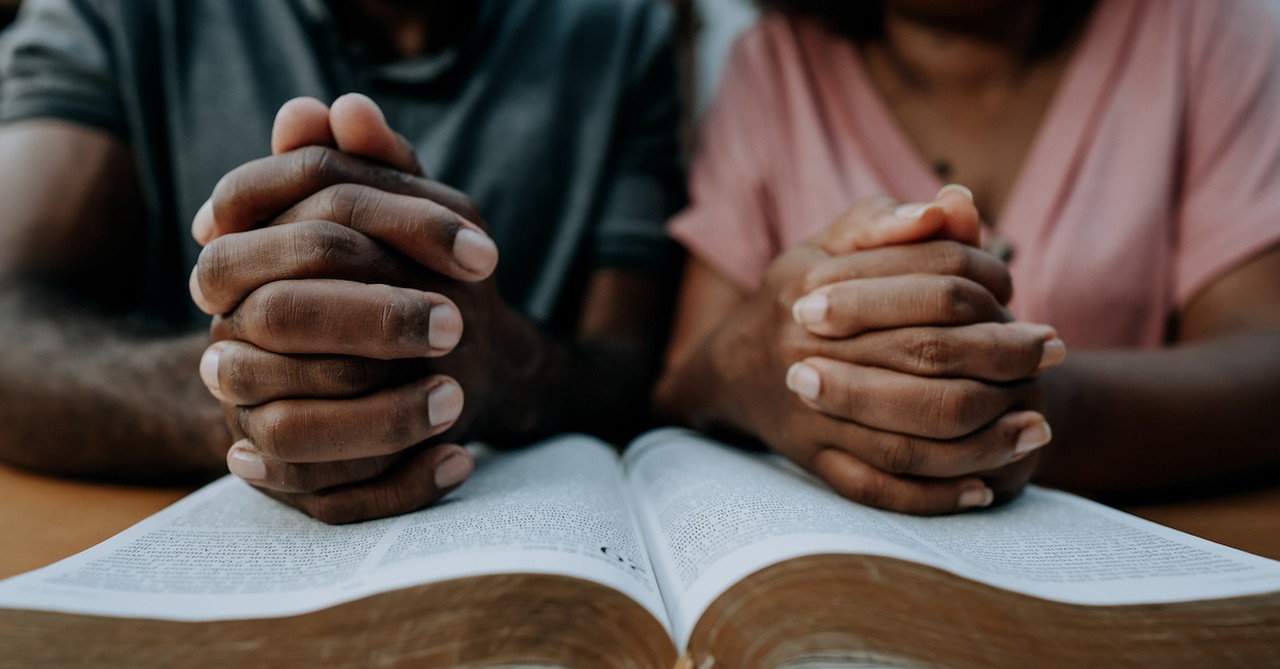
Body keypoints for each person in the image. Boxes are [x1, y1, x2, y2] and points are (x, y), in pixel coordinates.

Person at [0, 0, 684, 522]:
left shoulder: (618, 28)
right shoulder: (117, 12)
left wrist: (508, 363)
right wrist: (254, 390)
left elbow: (629, 368)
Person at [656, 0, 1280, 514]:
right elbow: (685, 382)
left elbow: (1262, 355)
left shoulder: (1200, 27)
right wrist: (761, 366)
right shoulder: (773, 68)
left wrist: (1034, 405)